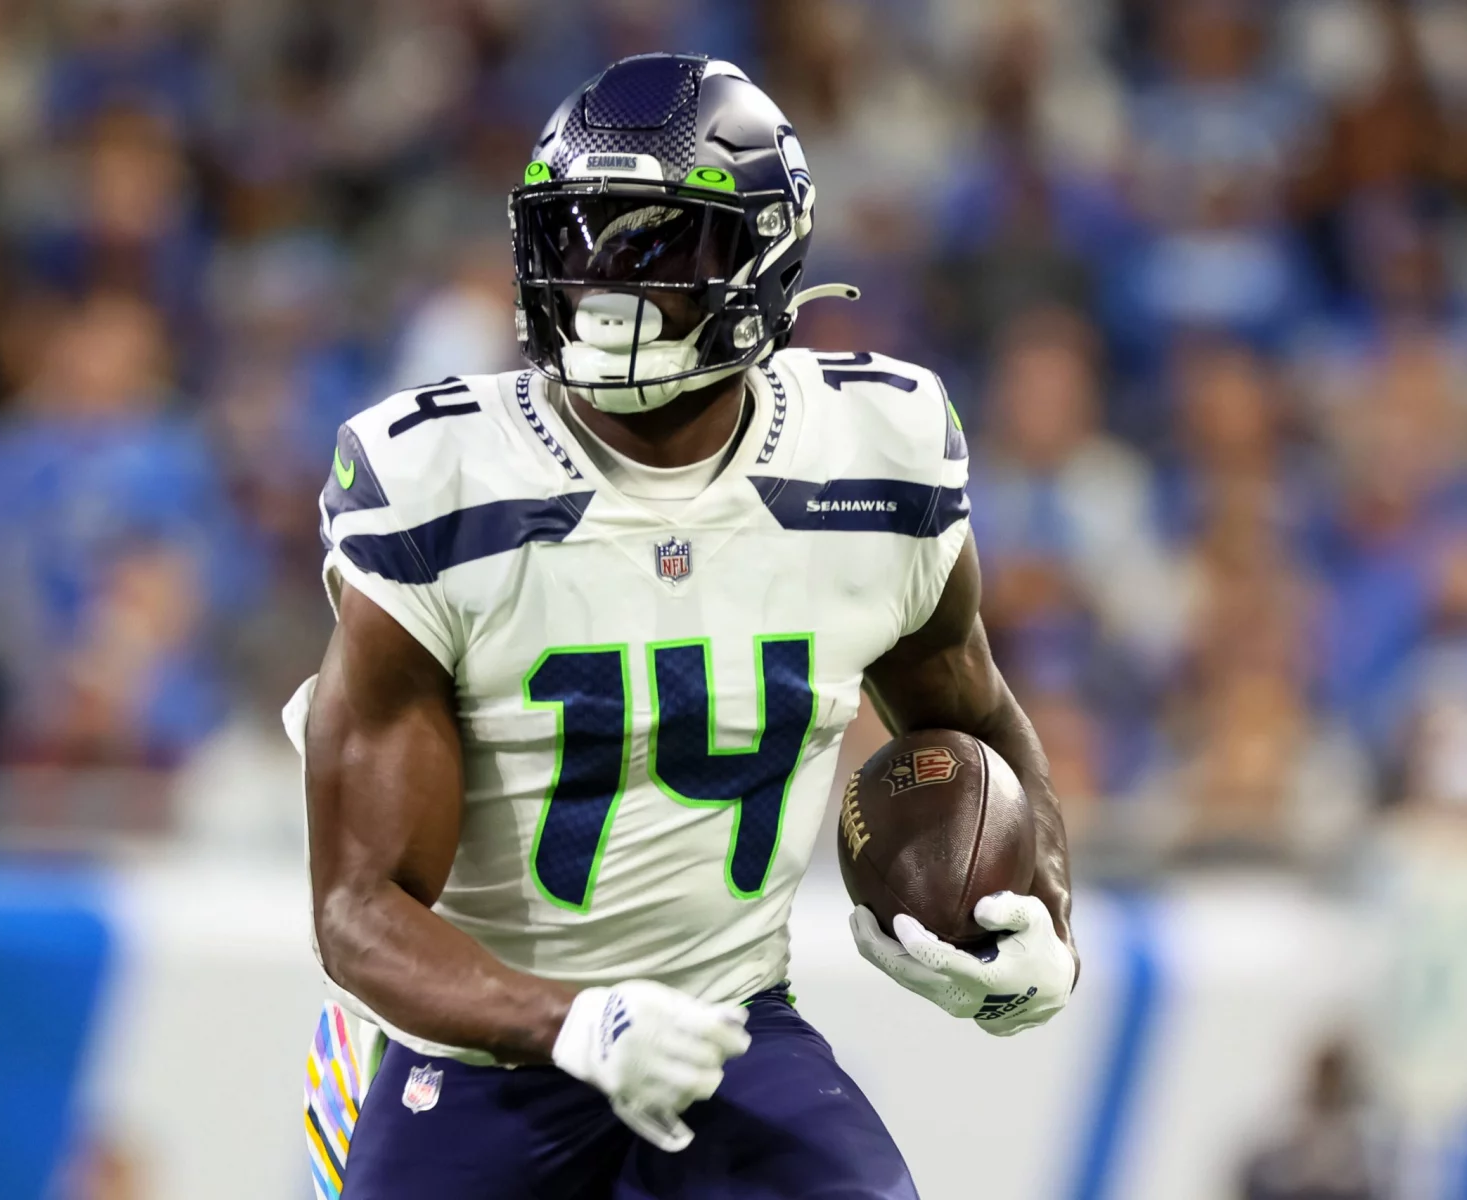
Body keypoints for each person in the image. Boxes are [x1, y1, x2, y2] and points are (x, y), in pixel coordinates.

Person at [291, 53, 1078, 1199]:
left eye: (657, 243)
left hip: (727, 1018)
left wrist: (1042, 918)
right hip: (466, 1048)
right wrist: (574, 1021)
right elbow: (357, 910)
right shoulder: (439, 481)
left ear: (765, 253)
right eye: (577, 238)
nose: (602, 284)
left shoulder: (877, 454)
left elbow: (975, 717)